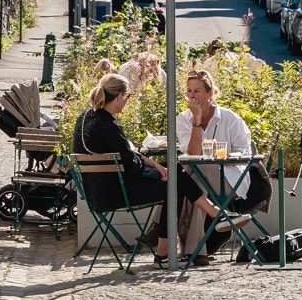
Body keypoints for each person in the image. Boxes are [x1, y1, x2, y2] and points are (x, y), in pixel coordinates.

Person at [71, 73, 232, 268]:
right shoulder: (111, 126)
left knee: (174, 176)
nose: (127, 102)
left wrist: (154, 165)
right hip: (116, 193)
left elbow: (125, 156)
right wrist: (159, 172)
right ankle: (207, 219)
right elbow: (132, 168)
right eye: (128, 97)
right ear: (120, 97)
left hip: (96, 192)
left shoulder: (85, 119)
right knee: (174, 185)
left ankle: (211, 215)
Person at [173, 70, 268, 254]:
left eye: (197, 91)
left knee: (185, 173)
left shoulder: (231, 119)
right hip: (200, 179)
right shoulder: (184, 119)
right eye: (189, 91)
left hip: (231, 179)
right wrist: (196, 121)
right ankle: (197, 251)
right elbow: (193, 154)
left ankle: (161, 230)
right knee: (195, 181)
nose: (191, 96)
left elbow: (244, 154)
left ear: (210, 93)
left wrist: (220, 158)